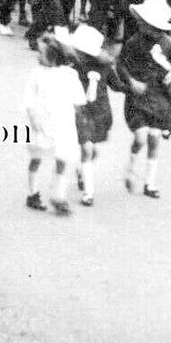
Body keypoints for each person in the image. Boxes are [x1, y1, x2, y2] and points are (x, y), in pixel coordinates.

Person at [116, 0, 171, 199]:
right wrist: (131, 81)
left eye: (145, 23)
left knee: (154, 138)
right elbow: (121, 64)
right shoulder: (134, 41)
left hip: (160, 96)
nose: (141, 25)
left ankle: (150, 182)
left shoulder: (169, 44)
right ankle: (130, 168)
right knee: (140, 137)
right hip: (138, 95)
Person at [23, 32, 87, 216]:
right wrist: (33, 117)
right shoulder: (36, 74)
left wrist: (75, 116)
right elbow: (29, 98)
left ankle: (58, 196)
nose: (38, 56)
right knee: (36, 157)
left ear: (53, 57)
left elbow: (78, 100)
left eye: (41, 53)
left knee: (62, 158)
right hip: (41, 121)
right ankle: (32, 193)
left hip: (62, 121)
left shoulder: (70, 75)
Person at [57, 25, 117, 207]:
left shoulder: (104, 66)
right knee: (87, 148)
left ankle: (81, 170)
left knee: (92, 150)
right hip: (81, 111)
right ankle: (88, 193)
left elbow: (117, 84)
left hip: (99, 111)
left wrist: (131, 85)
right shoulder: (72, 65)